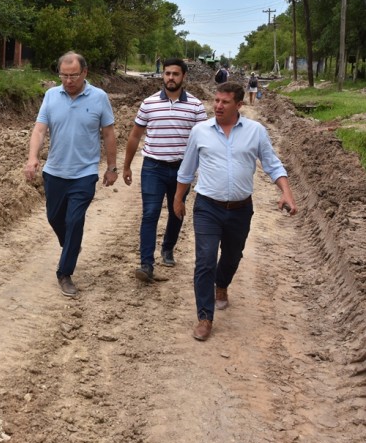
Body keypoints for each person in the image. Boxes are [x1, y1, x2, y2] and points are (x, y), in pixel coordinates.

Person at [173, 82, 298, 341]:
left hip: (241, 209)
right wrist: (178, 198)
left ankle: (222, 284)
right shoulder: (200, 131)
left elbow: (273, 165)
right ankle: (205, 317)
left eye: (225, 102)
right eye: (216, 100)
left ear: (239, 105)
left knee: (232, 255)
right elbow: (187, 169)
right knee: (205, 259)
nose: (218, 106)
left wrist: (286, 192)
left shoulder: (256, 131)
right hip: (207, 206)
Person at [24, 51, 119, 298]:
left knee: (74, 220)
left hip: (84, 173)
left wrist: (111, 167)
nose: (68, 81)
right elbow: (39, 130)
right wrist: (33, 157)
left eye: (73, 75)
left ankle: (65, 273)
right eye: (64, 75)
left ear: (84, 72)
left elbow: (108, 133)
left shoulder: (99, 97)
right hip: (54, 172)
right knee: (55, 218)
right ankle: (71, 246)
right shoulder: (51, 96)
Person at [123, 57, 207, 282]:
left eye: (175, 74)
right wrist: (126, 166)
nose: (171, 78)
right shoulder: (148, 103)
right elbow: (135, 136)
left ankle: (168, 247)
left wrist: (203, 170)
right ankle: (146, 264)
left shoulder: (196, 106)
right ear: (163, 75)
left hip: (182, 170)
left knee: (176, 211)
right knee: (150, 213)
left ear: (184, 77)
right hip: (153, 167)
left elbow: (204, 141)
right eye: (167, 73)